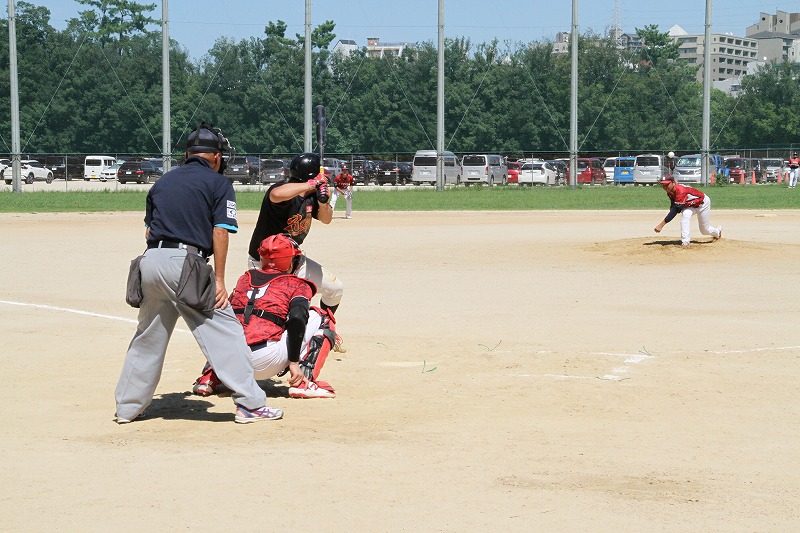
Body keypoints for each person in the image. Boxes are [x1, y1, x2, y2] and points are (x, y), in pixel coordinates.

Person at [114, 123, 283, 424]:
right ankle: (251, 405)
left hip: (149, 262)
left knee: (148, 337)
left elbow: (149, 231)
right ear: (216, 157)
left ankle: (128, 408)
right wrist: (218, 280)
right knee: (228, 333)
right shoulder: (218, 183)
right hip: (185, 265)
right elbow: (221, 230)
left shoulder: (162, 182)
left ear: (187, 154)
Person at [192, 233, 337, 399]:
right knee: (323, 318)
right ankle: (303, 382)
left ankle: (210, 376)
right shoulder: (297, 284)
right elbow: (297, 318)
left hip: (228, 361)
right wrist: (294, 362)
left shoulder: (244, 278)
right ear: (290, 261)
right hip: (265, 362)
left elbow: (226, 317)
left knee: (235, 321)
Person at [247, 152, 345, 326]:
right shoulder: (284, 190)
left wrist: (323, 203)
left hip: (294, 260)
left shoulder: (312, 196)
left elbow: (327, 219)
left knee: (335, 288)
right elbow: (276, 194)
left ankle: (323, 329)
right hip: (265, 261)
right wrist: (311, 184)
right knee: (275, 309)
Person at [654, 176, 722, 246]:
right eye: (663, 185)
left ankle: (717, 232)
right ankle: (685, 241)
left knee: (704, 230)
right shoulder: (670, 192)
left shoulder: (681, 191)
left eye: (667, 184)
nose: (665, 187)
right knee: (685, 214)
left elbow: (675, 210)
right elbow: (673, 207)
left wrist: (661, 225)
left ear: (673, 183)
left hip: (703, 204)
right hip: (691, 206)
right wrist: (672, 211)